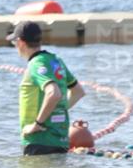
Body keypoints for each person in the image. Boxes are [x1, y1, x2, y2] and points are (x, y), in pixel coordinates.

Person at [8, 20, 85, 155]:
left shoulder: (36, 64)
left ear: (20, 42)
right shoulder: (56, 61)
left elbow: (53, 93)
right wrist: (57, 111)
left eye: (14, 43)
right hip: (59, 138)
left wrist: (37, 124)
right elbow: (78, 92)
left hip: (39, 140)